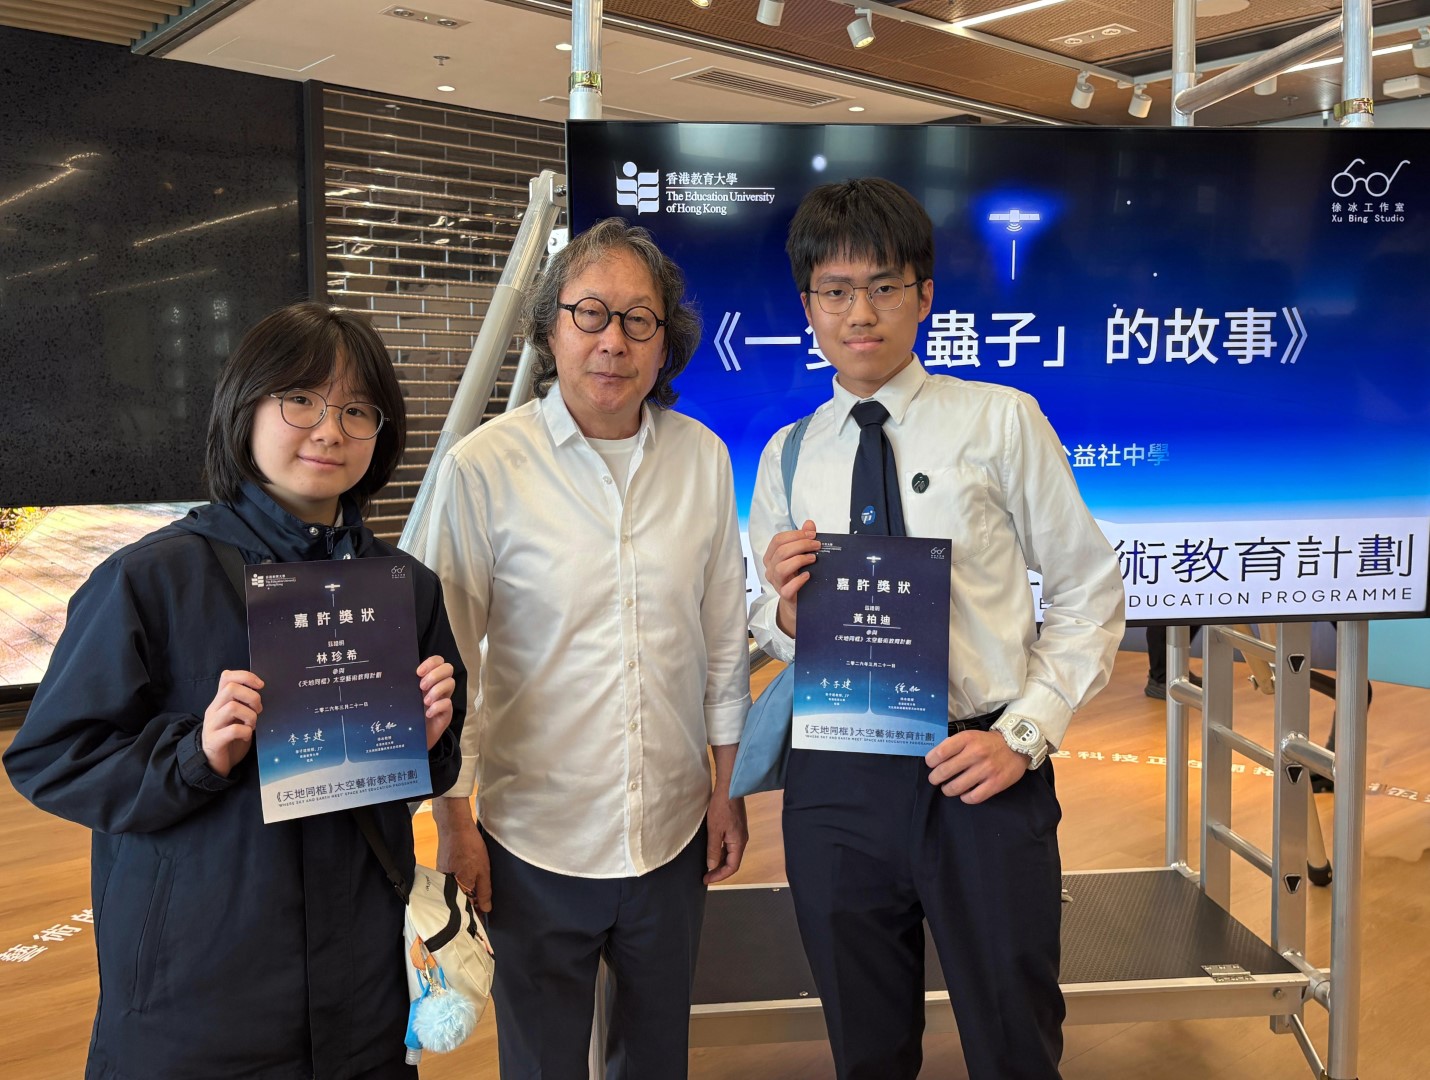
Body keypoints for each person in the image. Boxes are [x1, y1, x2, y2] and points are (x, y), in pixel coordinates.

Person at [3, 302, 465, 1080]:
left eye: (358, 410)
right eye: (301, 399)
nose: (330, 430)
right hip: (199, 1000)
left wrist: (424, 745)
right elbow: (51, 757)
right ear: (244, 409)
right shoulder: (151, 580)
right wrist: (195, 756)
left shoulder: (403, 589)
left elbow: (422, 773)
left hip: (362, 998)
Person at [749, 178, 1126, 1080]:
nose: (860, 313)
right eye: (836, 291)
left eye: (883, 286)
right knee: (864, 1045)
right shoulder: (788, 453)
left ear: (924, 295)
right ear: (808, 306)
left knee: (1013, 1038)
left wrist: (1023, 735)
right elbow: (764, 620)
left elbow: (1088, 590)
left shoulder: (999, 420)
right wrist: (788, 612)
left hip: (980, 768)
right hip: (837, 775)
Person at [418, 217, 751, 1080]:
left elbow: (723, 643)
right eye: (590, 313)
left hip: (672, 832)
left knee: (656, 1058)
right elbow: (451, 662)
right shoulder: (484, 467)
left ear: (666, 343)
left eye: (639, 320)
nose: (613, 341)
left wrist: (726, 789)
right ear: (550, 328)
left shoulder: (704, 460)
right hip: (533, 842)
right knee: (542, 1063)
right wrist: (455, 822)